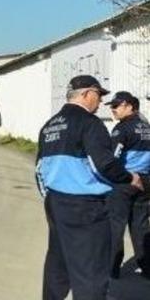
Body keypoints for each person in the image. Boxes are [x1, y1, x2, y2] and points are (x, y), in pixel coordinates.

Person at [36, 75, 145, 300]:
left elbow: (39, 169)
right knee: (91, 271)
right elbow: (102, 164)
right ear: (86, 94)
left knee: (58, 263)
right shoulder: (90, 123)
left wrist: (50, 198)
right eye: (99, 95)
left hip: (56, 203)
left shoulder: (49, 125)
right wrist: (128, 178)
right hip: (86, 208)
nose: (100, 102)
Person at [105, 91, 150, 279]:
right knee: (141, 226)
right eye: (112, 106)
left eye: (117, 106)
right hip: (146, 182)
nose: (113, 109)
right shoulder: (147, 127)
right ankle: (147, 267)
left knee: (115, 225)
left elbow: (112, 158)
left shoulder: (121, 129)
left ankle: (112, 268)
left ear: (130, 106)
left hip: (125, 181)